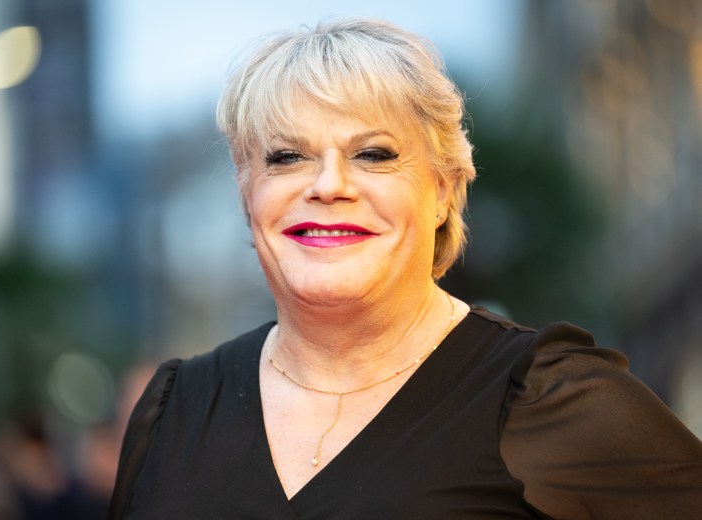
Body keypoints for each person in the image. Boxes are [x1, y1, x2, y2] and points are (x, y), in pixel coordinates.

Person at [108, 17, 702, 519]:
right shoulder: (173, 407)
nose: (328, 185)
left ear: (443, 189)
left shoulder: (548, 396)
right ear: (247, 193)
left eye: (373, 154)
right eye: (286, 157)